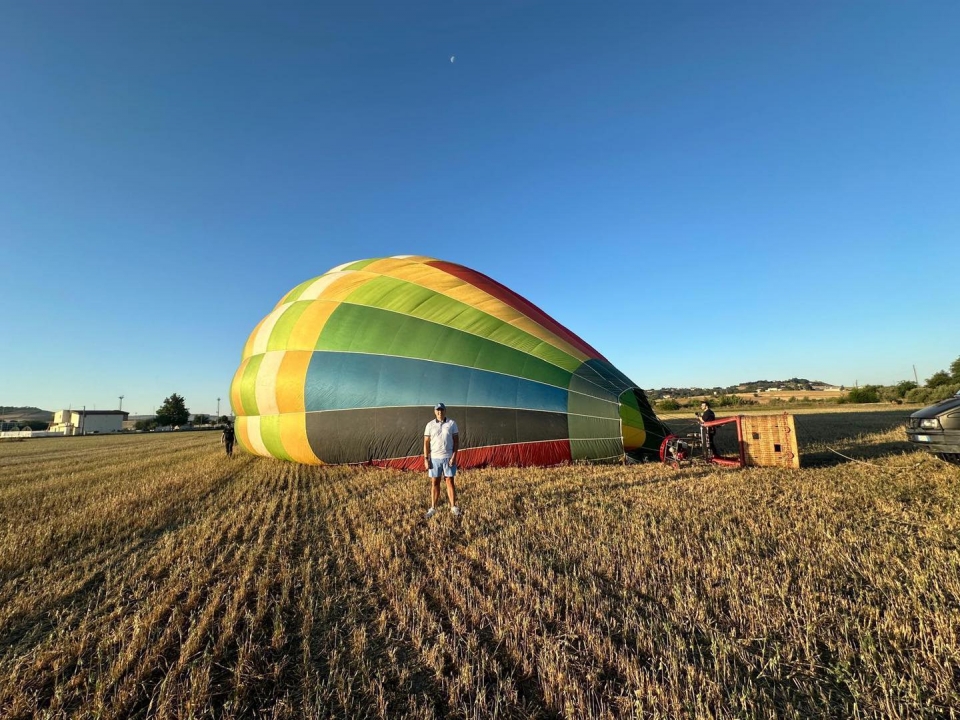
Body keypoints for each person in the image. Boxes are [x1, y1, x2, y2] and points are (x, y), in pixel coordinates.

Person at [423, 403, 460, 518]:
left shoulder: (452, 424)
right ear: (435, 412)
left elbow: (456, 441)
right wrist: (426, 459)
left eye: (441, 410)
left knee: (449, 481)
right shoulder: (430, 425)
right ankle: (433, 508)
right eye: (437, 410)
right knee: (435, 482)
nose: (440, 412)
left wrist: (454, 456)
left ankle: (453, 507)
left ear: (445, 411)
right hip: (435, 458)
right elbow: (426, 443)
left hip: (448, 457)